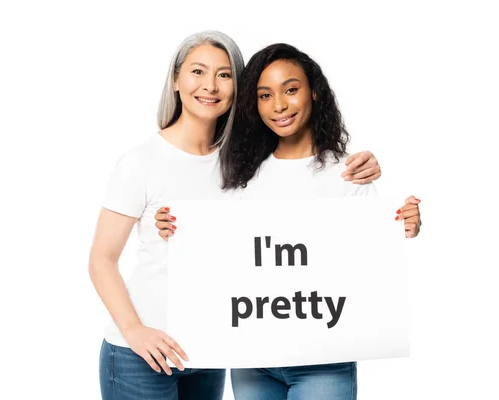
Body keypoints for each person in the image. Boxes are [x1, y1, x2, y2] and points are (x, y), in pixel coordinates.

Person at [89, 31, 382, 400]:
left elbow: (270, 230)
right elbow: (101, 259)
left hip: (209, 351)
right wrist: (133, 330)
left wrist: (368, 179)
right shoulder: (140, 162)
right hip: (142, 351)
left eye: (225, 75)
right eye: (198, 71)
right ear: (176, 80)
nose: (210, 85)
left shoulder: (242, 163)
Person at [155, 43, 421, 399]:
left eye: (290, 90)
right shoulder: (241, 177)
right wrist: (176, 227)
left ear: (314, 90)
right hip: (252, 359)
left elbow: (372, 257)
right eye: (265, 95)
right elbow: (222, 255)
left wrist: (404, 223)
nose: (279, 105)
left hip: (323, 361)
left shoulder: (348, 173)